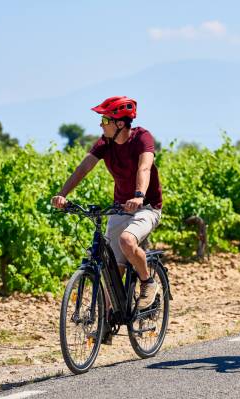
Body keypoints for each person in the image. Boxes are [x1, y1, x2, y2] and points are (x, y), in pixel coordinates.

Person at [51, 96, 163, 312]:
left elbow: (144, 168)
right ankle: (106, 322)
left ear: (120, 123)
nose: (101, 125)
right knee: (113, 267)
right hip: (121, 207)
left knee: (127, 241)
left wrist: (139, 195)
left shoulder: (142, 138)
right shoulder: (105, 143)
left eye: (105, 120)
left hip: (147, 207)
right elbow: (83, 169)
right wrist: (62, 194)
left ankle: (148, 283)